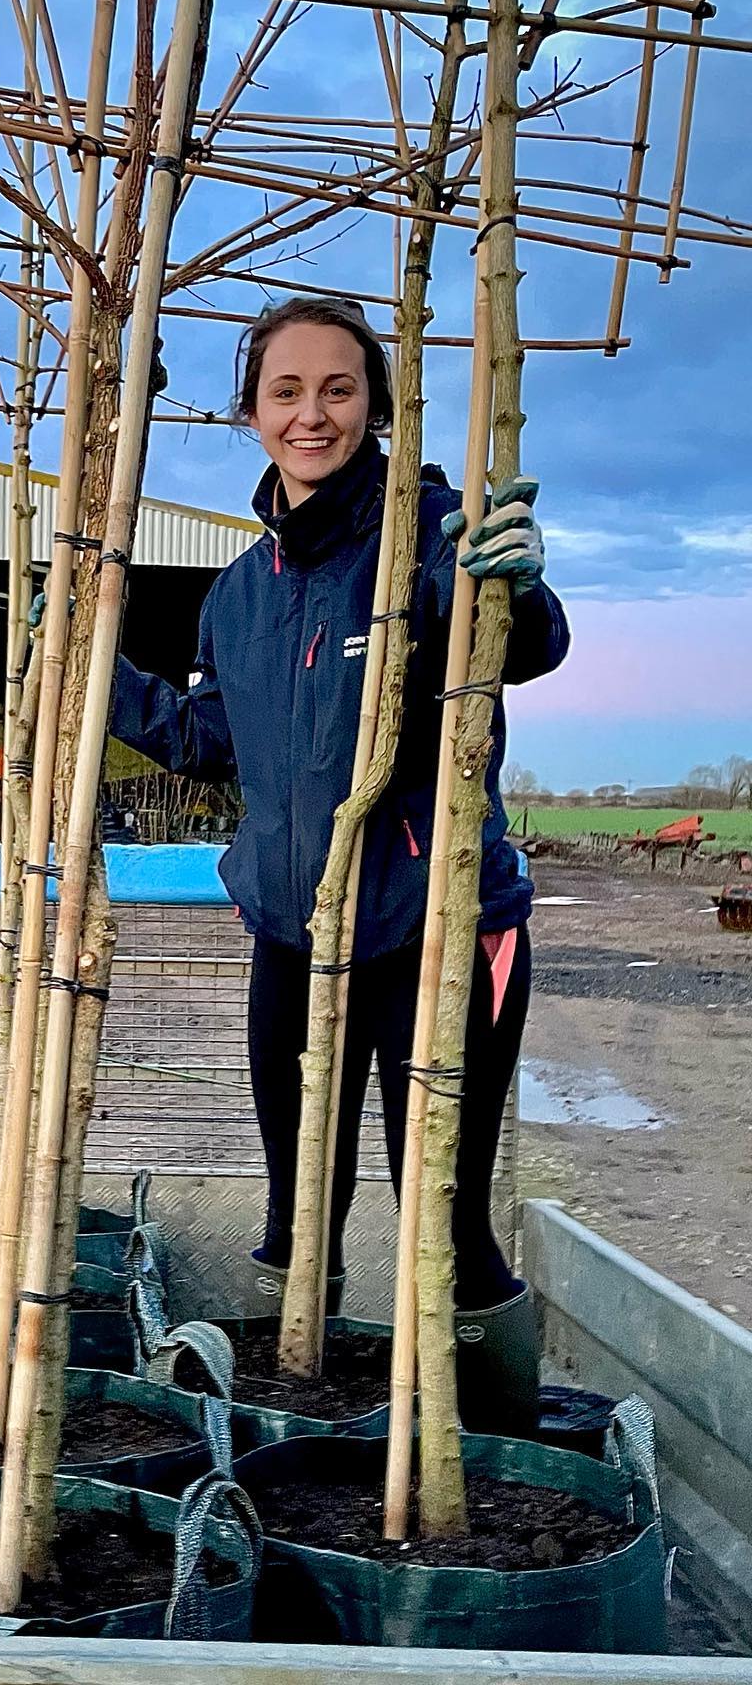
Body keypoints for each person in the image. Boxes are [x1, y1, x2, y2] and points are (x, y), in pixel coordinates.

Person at [110, 297, 568, 1434]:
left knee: (442, 1210)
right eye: (286, 391)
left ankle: (484, 1444)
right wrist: (89, 672)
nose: (312, 413)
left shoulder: (432, 538)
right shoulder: (237, 592)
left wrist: (515, 582)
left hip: (440, 927)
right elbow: (215, 745)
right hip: (291, 935)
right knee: (297, 1199)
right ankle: (296, 1425)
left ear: (375, 407)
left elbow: (524, 650)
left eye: (339, 389)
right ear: (251, 413)